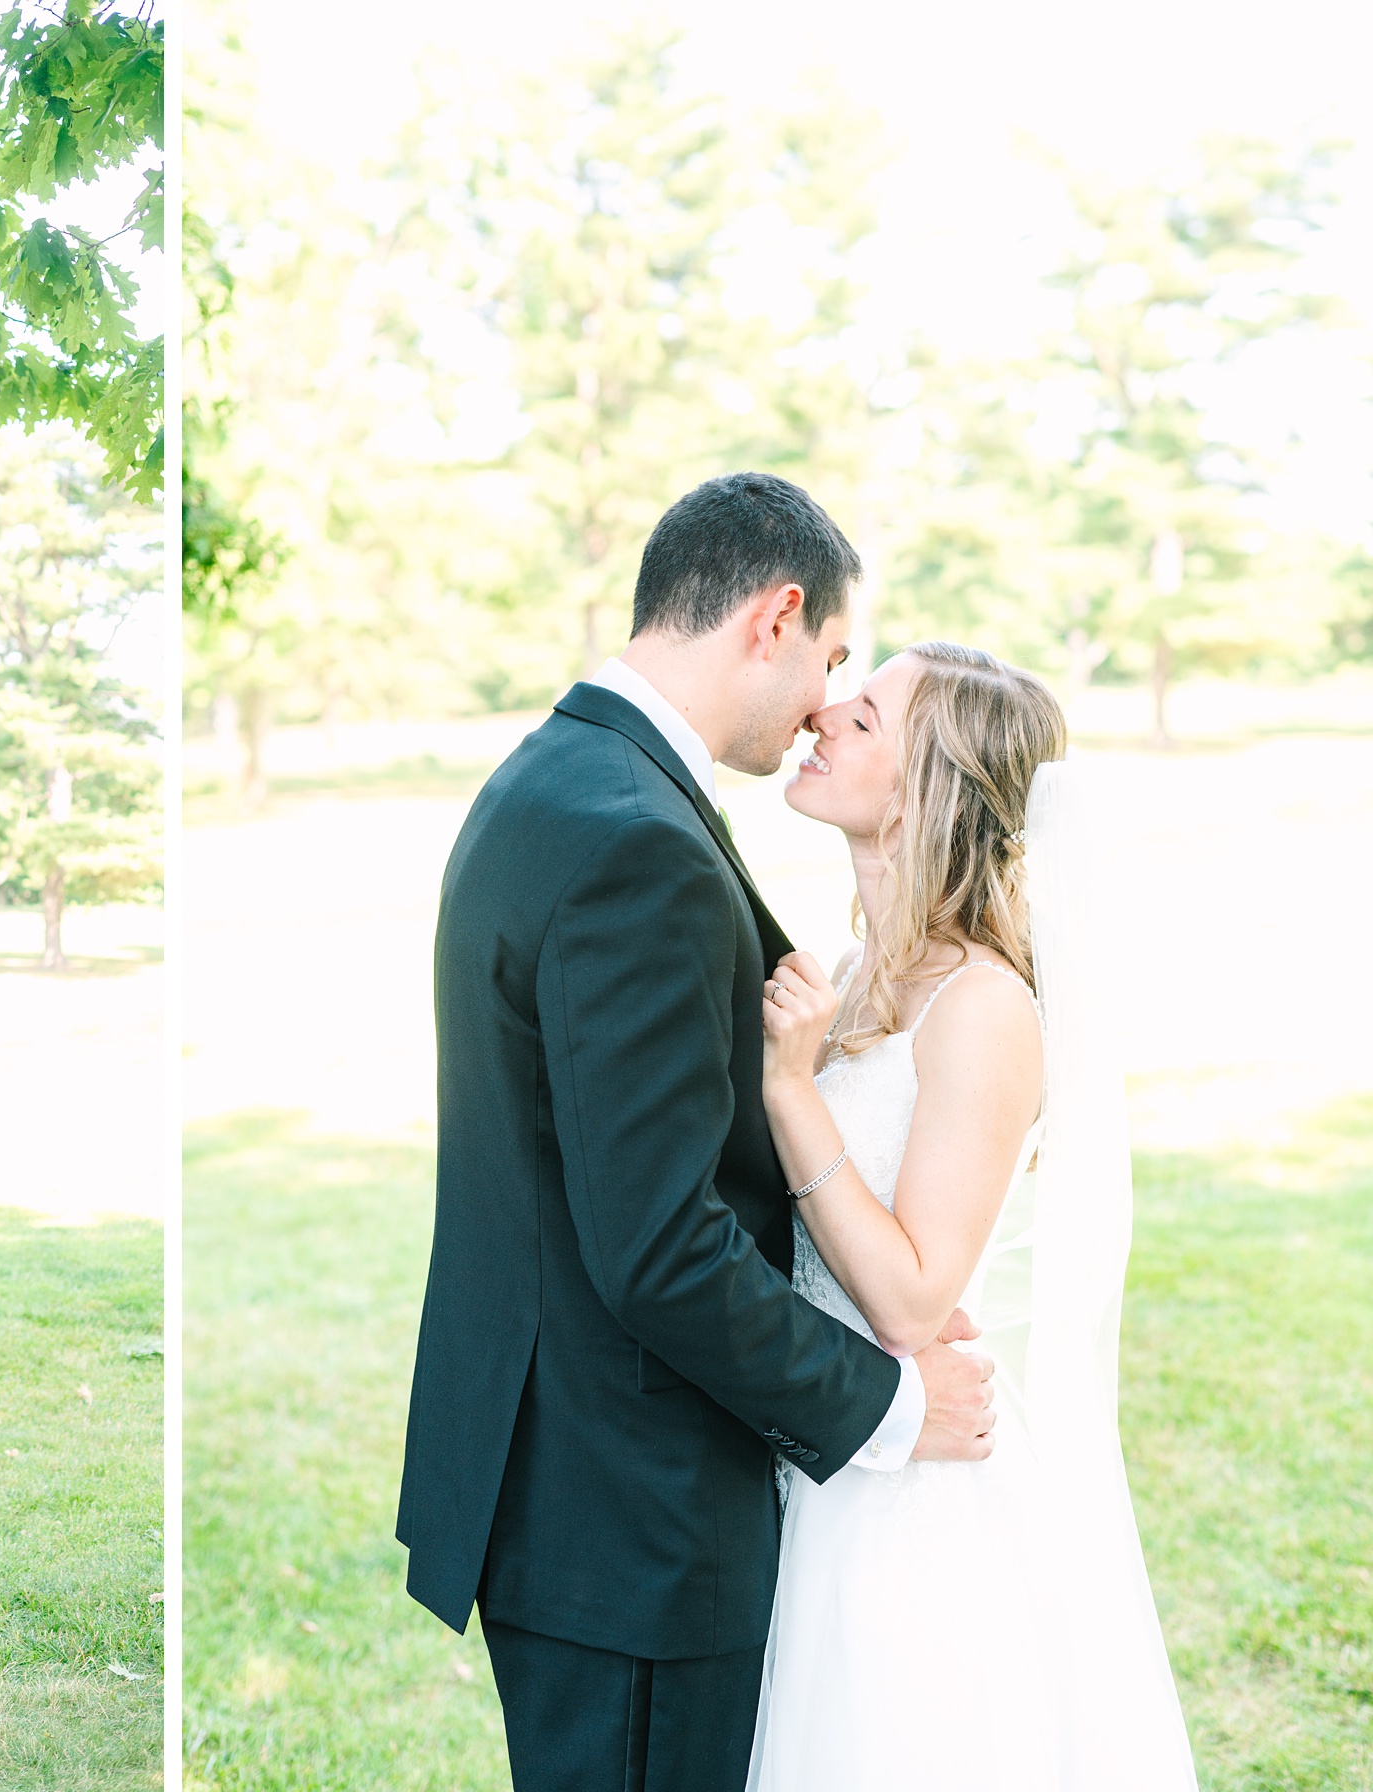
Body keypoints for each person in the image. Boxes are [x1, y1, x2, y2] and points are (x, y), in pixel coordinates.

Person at [397, 473, 996, 1791]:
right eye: (830, 659)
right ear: (775, 616)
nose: (819, 708)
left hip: (565, 1486)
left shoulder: (560, 777)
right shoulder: (637, 841)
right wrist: (893, 1408)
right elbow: (661, 1247)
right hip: (635, 1524)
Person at [747, 642, 1193, 1788]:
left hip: (916, 1506)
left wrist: (792, 1095)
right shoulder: (852, 972)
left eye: (870, 713)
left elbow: (909, 1296)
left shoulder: (984, 1005)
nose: (828, 712)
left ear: (932, 785)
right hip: (823, 1459)